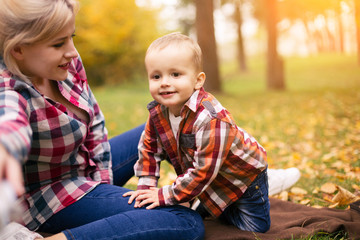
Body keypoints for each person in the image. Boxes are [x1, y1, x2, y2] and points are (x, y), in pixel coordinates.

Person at [0, 1, 205, 240]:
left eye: (71, 37)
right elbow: (9, 122)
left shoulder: (67, 64)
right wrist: (5, 147)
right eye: (58, 44)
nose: (72, 51)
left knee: (167, 127)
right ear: (19, 49)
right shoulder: (9, 89)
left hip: (84, 168)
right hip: (48, 197)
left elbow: (95, 121)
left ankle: (233, 194)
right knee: (184, 221)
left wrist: (103, 187)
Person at [124, 32, 271, 233]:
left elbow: (203, 172)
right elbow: (149, 149)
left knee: (255, 229)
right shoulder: (158, 113)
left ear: (198, 80)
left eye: (175, 74)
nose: (165, 82)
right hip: (209, 178)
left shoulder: (212, 119)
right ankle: (213, 202)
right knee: (209, 210)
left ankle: (261, 188)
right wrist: (146, 189)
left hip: (243, 176)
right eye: (156, 76)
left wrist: (165, 195)